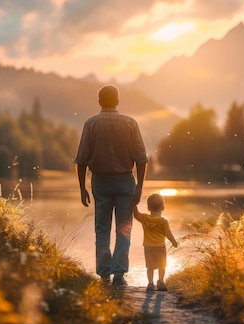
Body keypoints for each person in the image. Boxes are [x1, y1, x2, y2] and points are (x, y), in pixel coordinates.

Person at [75, 85, 149, 286]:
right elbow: (142, 159)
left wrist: (82, 188)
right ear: (118, 101)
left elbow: (81, 160)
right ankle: (119, 274)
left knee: (102, 229)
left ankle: (104, 273)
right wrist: (139, 187)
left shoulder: (91, 124)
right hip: (125, 183)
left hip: (100, 183)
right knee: (124, 229)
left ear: (99, 101)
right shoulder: (130, 123)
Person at [133, 193, 178, 291]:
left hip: (148, 247)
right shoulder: (163, 221)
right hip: (160, 247)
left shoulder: (144, 218)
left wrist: (133, 203)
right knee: (162, 265)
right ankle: (161, 281)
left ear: (148, 208)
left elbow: (136, 214)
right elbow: (168, 233)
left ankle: (150, 283)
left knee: (150, 266)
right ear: (163, 208)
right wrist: (174, 242)